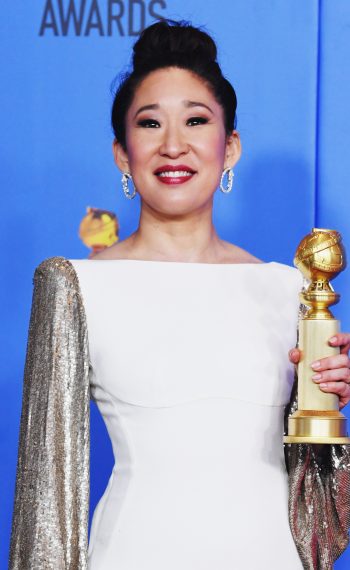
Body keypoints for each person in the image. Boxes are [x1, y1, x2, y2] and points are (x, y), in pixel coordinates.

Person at [9, 19, 350, 570]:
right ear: (122, 153)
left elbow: (320, 523)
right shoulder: (75, 285)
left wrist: (328, 420)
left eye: (196, 120)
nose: (174, 145)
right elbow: (45, 499)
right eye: (150, 124)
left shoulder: (288, 289)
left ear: (230, 145)